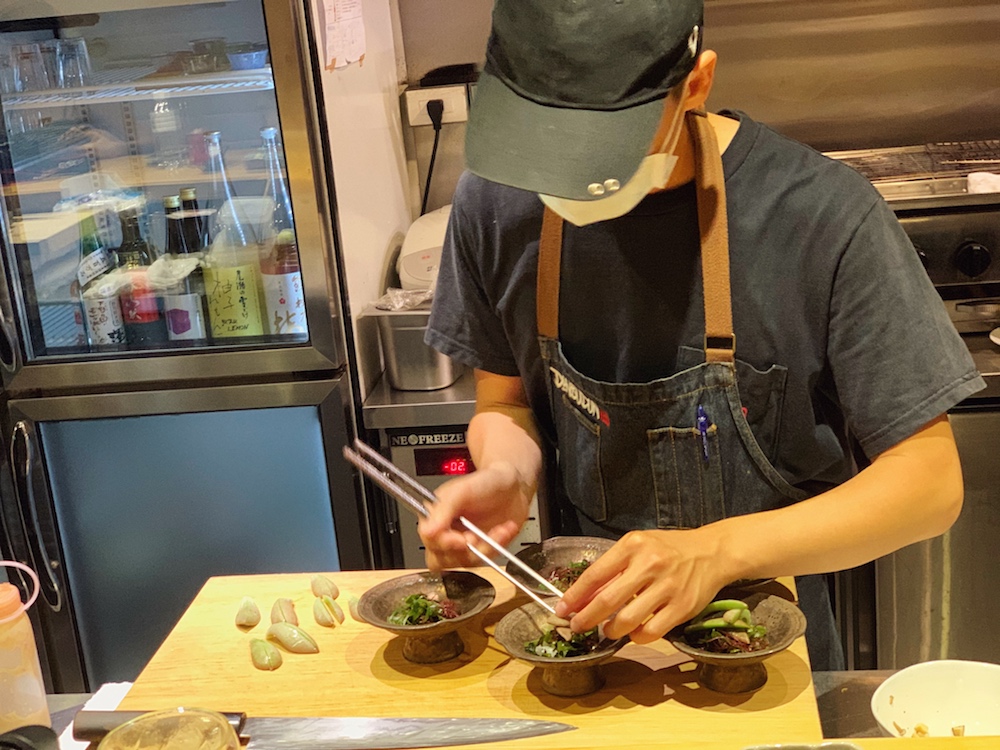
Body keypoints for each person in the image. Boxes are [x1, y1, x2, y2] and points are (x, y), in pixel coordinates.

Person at [419, 0, 985, 671]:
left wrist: (716, 552)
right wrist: (508, 473)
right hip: (587, 645)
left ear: (696, 83)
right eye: (544, 140)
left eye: (601, 144)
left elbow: (929, 484)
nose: (567, 174)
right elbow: (504, 400)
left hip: (761, 658)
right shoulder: (494, 203)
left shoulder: (821, 215)